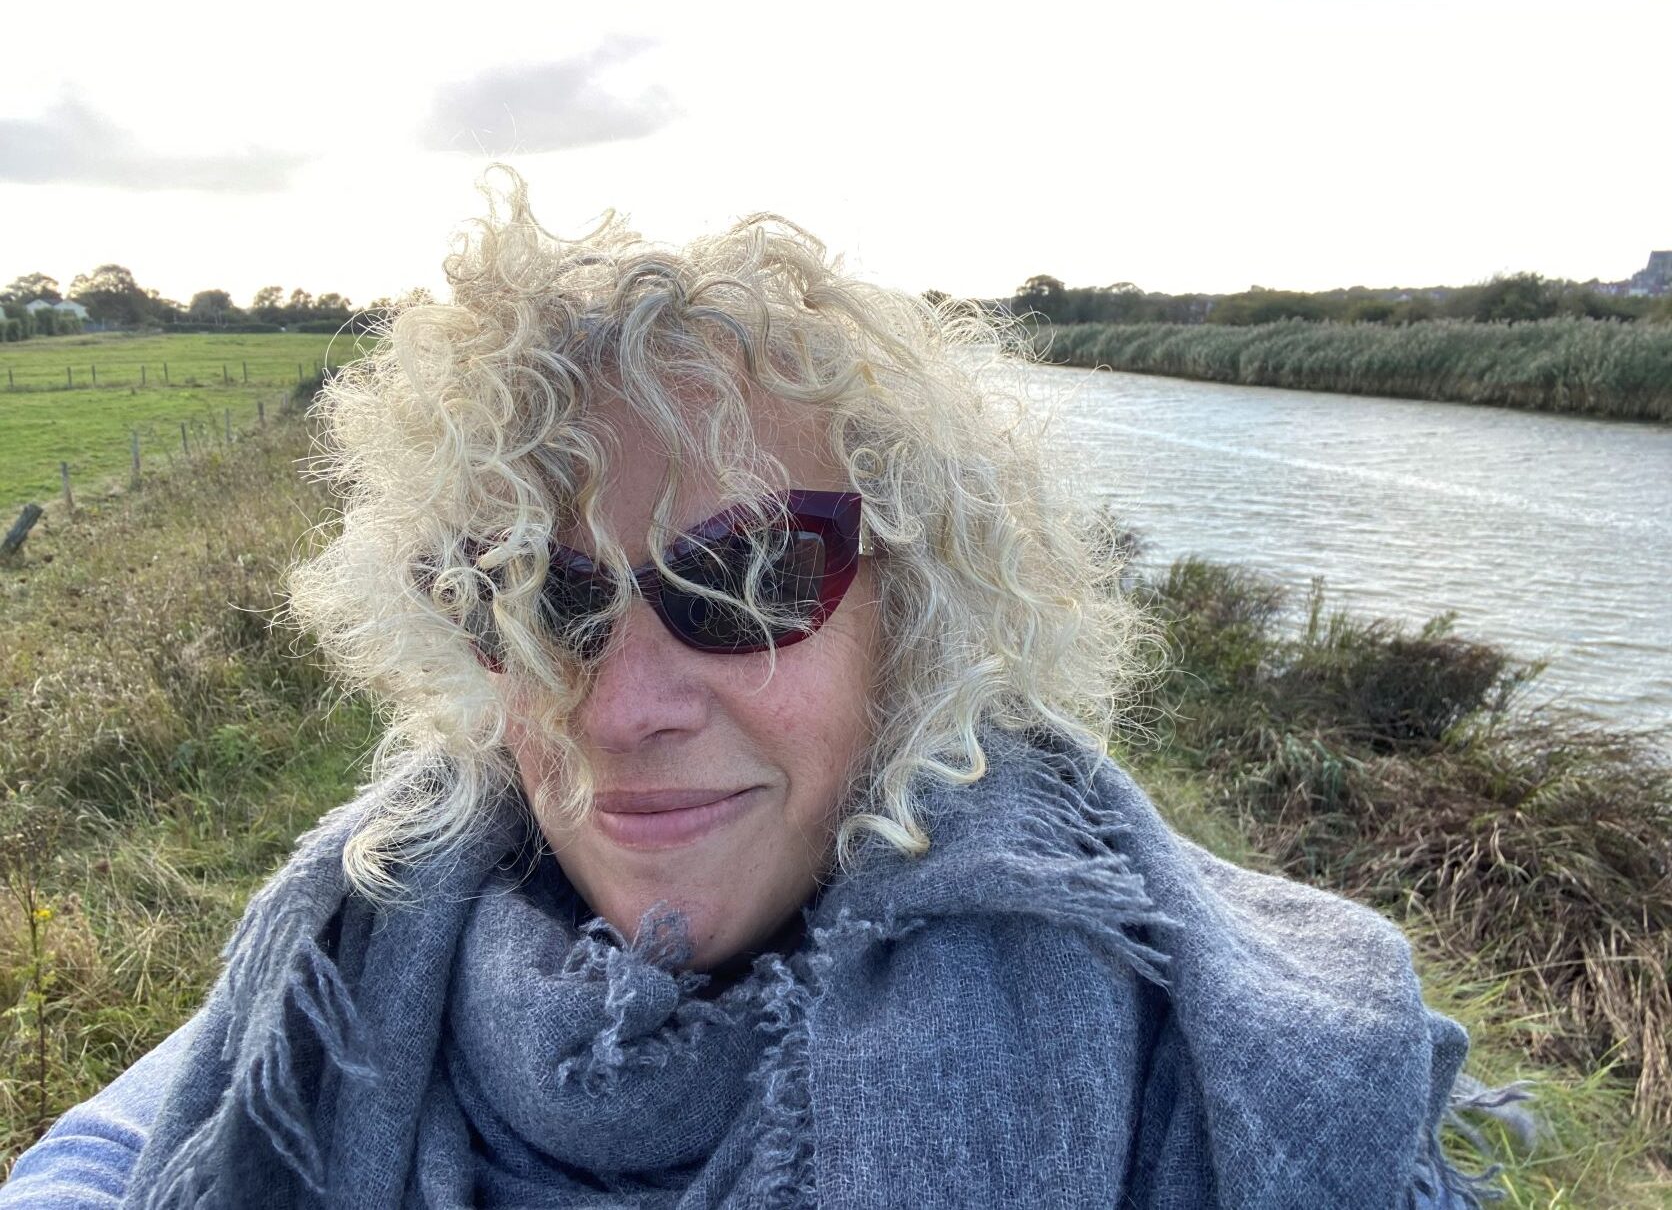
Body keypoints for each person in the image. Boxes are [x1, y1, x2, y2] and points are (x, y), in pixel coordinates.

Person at [1, 167, 1515, 1208]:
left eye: (745, 579)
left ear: (917, 615)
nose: (618, 708)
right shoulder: (355, 945)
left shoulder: (1201, 1043)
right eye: (536, 596)